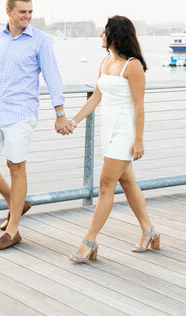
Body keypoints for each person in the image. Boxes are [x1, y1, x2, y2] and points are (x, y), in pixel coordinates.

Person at [0, 0, 74, 250]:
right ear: (9, 11)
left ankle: (13, 230)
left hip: (21, 113)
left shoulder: (40, 40)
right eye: (22, 12)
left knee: (16, 167)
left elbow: (52, 77)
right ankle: (17, 202)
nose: (27, 17)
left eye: (30, 12)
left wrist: (60, 114)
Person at [66, 15, 158, 263]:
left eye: (104, 31)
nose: (100, 35)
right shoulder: (106, 61)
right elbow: (96, 97)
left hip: (125, 130)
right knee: (127, 183)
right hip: (108, 129)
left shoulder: (133, 66)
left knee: (106, 186)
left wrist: (138, 140)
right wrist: (73, 122)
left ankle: (89, 241)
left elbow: (139, 106)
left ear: (115, 34)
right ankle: (149, 231)